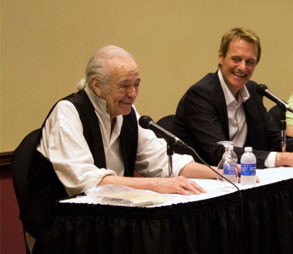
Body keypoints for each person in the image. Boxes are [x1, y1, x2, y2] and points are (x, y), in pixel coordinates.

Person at [23, 45, 215, 252]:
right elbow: (87, 183)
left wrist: (218, 173)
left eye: (137, 85)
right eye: (124, 86)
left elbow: (160, 159)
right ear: (96, 85)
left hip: (110, 225)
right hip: (61, 230)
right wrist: (156, 184)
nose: (133, 94)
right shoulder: (67, 113)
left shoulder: (127, 113)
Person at [173, 27, 293, 169]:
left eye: (250, 62)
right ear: (221, 56)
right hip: (204, 183)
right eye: (236, 59)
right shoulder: (200, 95)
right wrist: (285, 158)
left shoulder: (252, 91)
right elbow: (219, 153)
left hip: (245, 177)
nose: (242, 67)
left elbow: (274, 139)